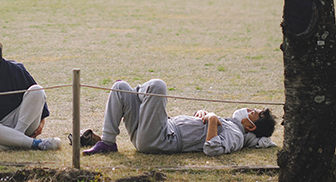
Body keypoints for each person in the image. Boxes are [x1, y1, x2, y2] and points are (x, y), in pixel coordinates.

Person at [83, 79, 277, 157]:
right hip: (157, 130)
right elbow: (203, 131)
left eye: (255, 113)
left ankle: (138, 93)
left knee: (158, 86)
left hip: (162, 139)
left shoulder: (236, 135)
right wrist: (200, 115)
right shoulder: (231, 123)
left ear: (251, 127)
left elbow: (213, 148)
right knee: (120, 88)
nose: (249, 109)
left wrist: (212, 118)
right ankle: (108, 142)